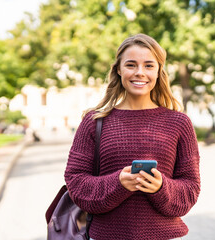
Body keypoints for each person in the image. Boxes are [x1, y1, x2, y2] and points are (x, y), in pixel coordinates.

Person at [64, 33, 200, 240]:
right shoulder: (94, 121)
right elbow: (76, 183)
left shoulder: (179, 123)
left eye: (148, 65)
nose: (139, 73)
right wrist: (118, 183)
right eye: (131, 65)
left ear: (158, 71)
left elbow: (190, 189)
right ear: (118, 70)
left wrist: (161, 187)